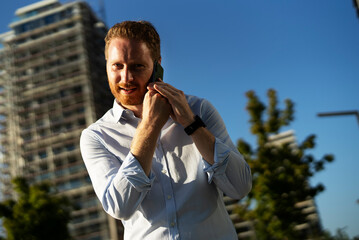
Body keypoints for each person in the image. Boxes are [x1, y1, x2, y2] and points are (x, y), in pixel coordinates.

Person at [80, 20, 252, 240]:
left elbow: (239, 187)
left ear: (157, 66)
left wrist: (191, 123)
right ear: (106, 65)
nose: (126, 78)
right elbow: (119, 206)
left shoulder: (199, 109)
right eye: (117, 66)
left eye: (137, 66)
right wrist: (150, 126)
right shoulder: (96, 136)